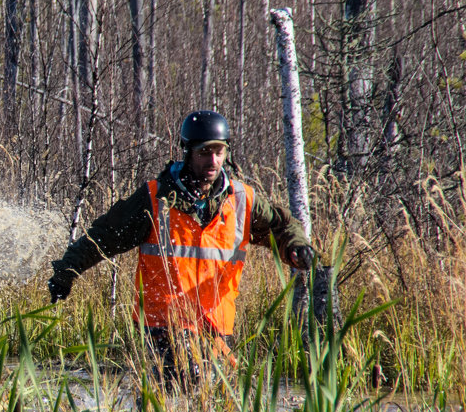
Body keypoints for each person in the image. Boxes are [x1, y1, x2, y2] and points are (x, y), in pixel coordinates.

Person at [48, 110, 315, 383]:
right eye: (204, 152)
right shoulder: (155, 198)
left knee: (210, 407)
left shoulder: (242, 200)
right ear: (187, 152)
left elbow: (282, 227)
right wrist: (67, 272)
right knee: (180, 386)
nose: (213, 161)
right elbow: (104, 237)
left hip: (216, 330)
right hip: (160, 328)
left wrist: (296, 247)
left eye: (219, 152)